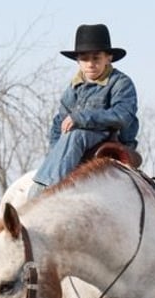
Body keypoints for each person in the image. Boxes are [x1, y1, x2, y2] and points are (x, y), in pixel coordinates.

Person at [33, 23, 139, 192]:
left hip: (110, 139)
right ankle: (39, 185)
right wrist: (57, 151)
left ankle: (49, 190)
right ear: (78, 61)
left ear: (108, 58)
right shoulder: (74, 87)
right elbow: (58, 123)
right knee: (69, 136)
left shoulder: (121, 83)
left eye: (96, 58)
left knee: (77, 134)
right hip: (74, 146)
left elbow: (122, 116)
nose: (90, 64)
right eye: (84, 59)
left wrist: (80, 118)